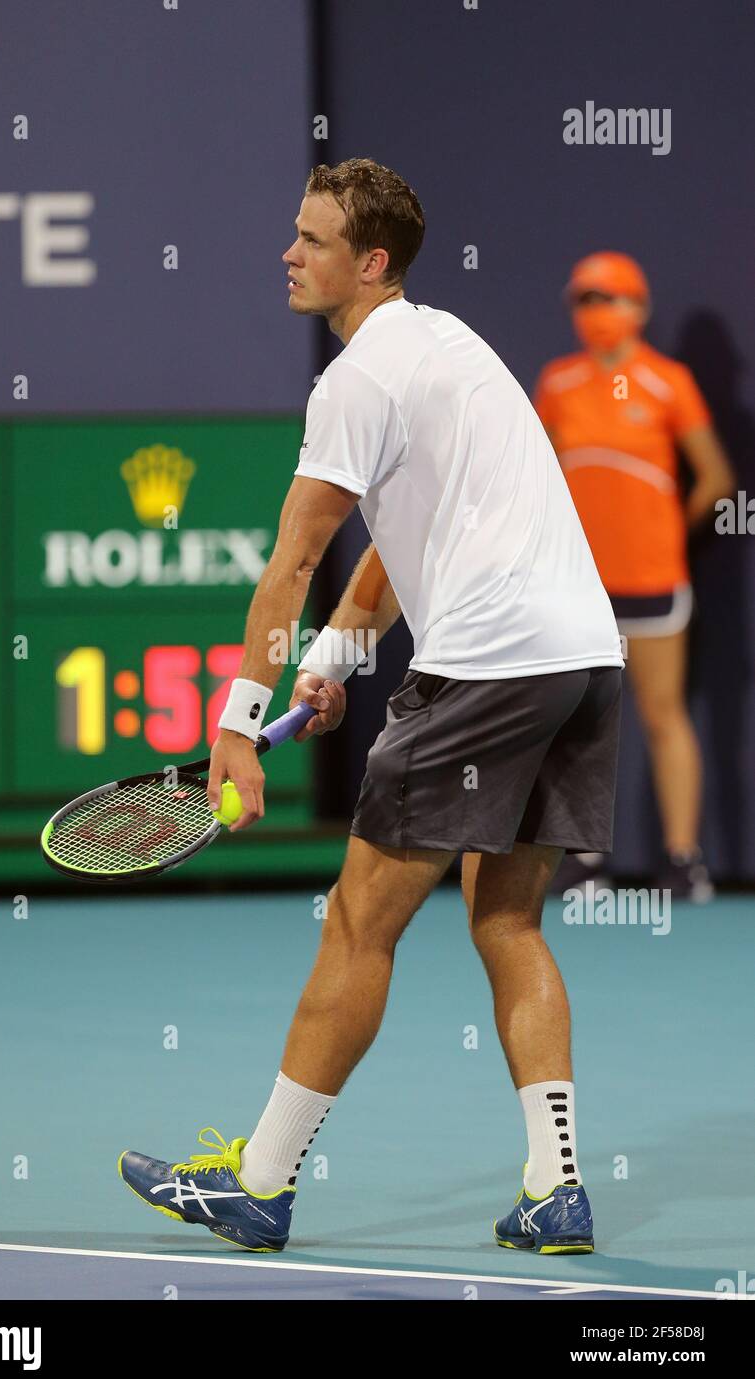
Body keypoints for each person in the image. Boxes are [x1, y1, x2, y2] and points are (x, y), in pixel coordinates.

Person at [119, 158, 625, 1256]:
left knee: (357, 923)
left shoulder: (357, 380)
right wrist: (337, 664)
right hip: (583, 662)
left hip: (485, 667)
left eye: (310, 239)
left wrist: (235, 729)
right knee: (506, 919)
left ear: (370, 261)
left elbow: (291, 562)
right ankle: (557, 1188)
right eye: (292, 234)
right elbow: (396, 553)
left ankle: (259, 1184)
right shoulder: (454, 348)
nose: (288, 254)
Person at [535, 253, 734, 901]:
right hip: (577, 585)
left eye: (608, 298)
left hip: (652, 579)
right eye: (583, 299)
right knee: (579, 723)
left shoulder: (667, 382)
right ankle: (584, 860)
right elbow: (532, 474)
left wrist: (669, 528)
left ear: (639, 309)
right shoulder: (557, 383)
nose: (595, 311)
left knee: (662, 715)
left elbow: (714, 477)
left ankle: (683, 861)